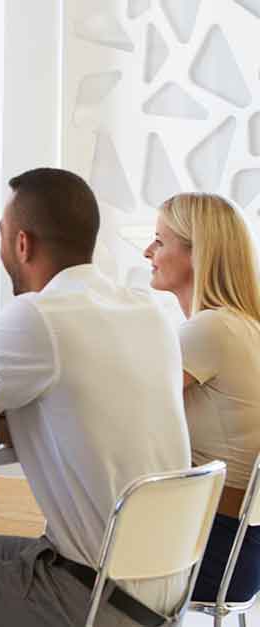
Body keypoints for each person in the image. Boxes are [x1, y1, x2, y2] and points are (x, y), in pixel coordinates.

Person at [0, 169, 192, 626]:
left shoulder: (39, 318)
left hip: (93, 597)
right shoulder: (151, 312)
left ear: (22, 243)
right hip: (163, 592)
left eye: (1, 235)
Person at [144, 192, 260, 603]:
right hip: (242, 552)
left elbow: (134, 408)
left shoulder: (211, 329)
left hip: (214, 551)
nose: (147, 252)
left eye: (159, 241)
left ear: (199, 253)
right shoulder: (242, 325)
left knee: (69, 558)